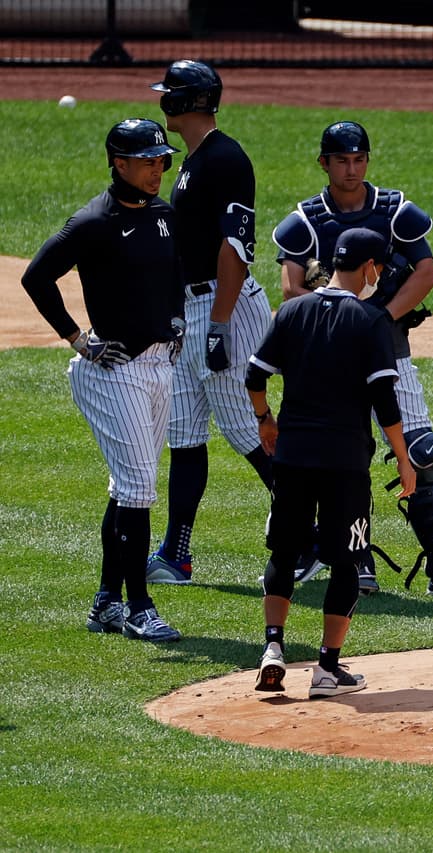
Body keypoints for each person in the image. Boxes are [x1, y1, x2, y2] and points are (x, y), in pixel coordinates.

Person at [271, 120, 433, 599]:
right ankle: (354, 559)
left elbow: (426, 274)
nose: (351, 168)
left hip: (389, 348)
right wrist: (346, 317)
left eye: (359, 159)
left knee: (425, 452)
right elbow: (290, 290)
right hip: (328, 362)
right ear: (323, 163)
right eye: (341, 160)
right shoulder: (305, 222)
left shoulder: (394, 212)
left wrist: (377, 317)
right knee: (349, 457)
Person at [21, 118, 186, 642]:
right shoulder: (93, 220)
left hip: (160, 366)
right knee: (138, 488)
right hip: (113, 371)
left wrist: (177, 319)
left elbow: (174, 272)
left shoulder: (163, 215)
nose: (156, 169)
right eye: (146, 161)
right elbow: (36, 276)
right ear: (118, 163)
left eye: (161, 160)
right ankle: (139, 606)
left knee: (127, 488)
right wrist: (77, 337)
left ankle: (106, 602)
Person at [248, 228, 416, 698]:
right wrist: (404, 460)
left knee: (284, 552)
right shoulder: (369, 321)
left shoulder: (294, 310)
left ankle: (273, 648)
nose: (380, 276)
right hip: (344, 463)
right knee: (346, 561)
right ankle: (326, 669)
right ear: (367, 268)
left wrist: (266, 419)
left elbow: (254, 375)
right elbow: (385, 400)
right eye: (378, 268)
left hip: (294, 457)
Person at [144, 59, 277, 585]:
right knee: (183, 434)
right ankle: (176, 553)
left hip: (224, 306)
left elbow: (235, 246)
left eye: (168, 94)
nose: (161, 100)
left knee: (248, 429)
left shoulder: (224, 159)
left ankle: (316, 536)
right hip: (194, 310)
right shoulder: (194, 159)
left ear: (185, 102)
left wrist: (219, 324)